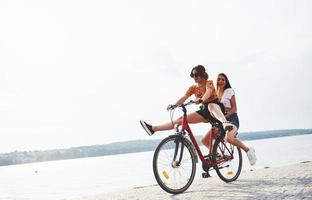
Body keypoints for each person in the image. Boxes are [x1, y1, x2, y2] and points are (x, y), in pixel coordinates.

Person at [139, 65, 233, 137]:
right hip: (205, 111)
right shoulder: (193, 88)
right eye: (192, 75)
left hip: (216, 107)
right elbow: (184, 97)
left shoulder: (209, 83)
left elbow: (209, 91)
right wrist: (174, 105)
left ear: (202, 75)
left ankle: (225, 123)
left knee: (210, 105)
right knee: (181, 120)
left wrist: (201, 99)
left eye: (196, 75)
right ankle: (153, 129)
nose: (194, 77)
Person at [201, 73, 256, 165]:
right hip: (221, 121)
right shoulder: (216, 94)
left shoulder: (229, 91)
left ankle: (248, 150)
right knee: (204, 140)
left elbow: (234, 108)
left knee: (230, 138)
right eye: (219, 79)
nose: (221, 81)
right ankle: (218, 155)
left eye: (223, 79)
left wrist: (225, 117)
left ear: (226, 81)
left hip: (232, 119)